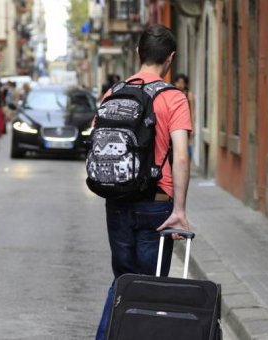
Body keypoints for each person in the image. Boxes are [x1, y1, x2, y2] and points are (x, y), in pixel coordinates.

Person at [95, 24, 192, 340]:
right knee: (151, 289)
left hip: (118, 201)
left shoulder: (113, 93)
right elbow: (180, 156)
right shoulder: (173, 98)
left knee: (123, 282)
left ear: (138, 52)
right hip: (156, 206)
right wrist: (179, 209)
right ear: (170, 59)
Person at [173, 74, 195, 158]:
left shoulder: (189, 95)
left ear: (185, 84)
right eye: (178, 82)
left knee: (186, 145)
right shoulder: (173, 94)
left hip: (186, 123)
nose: (180, 85)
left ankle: (187, 160)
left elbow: (192, 111)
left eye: (182, 83)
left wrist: (192, 127)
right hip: (175, 122)